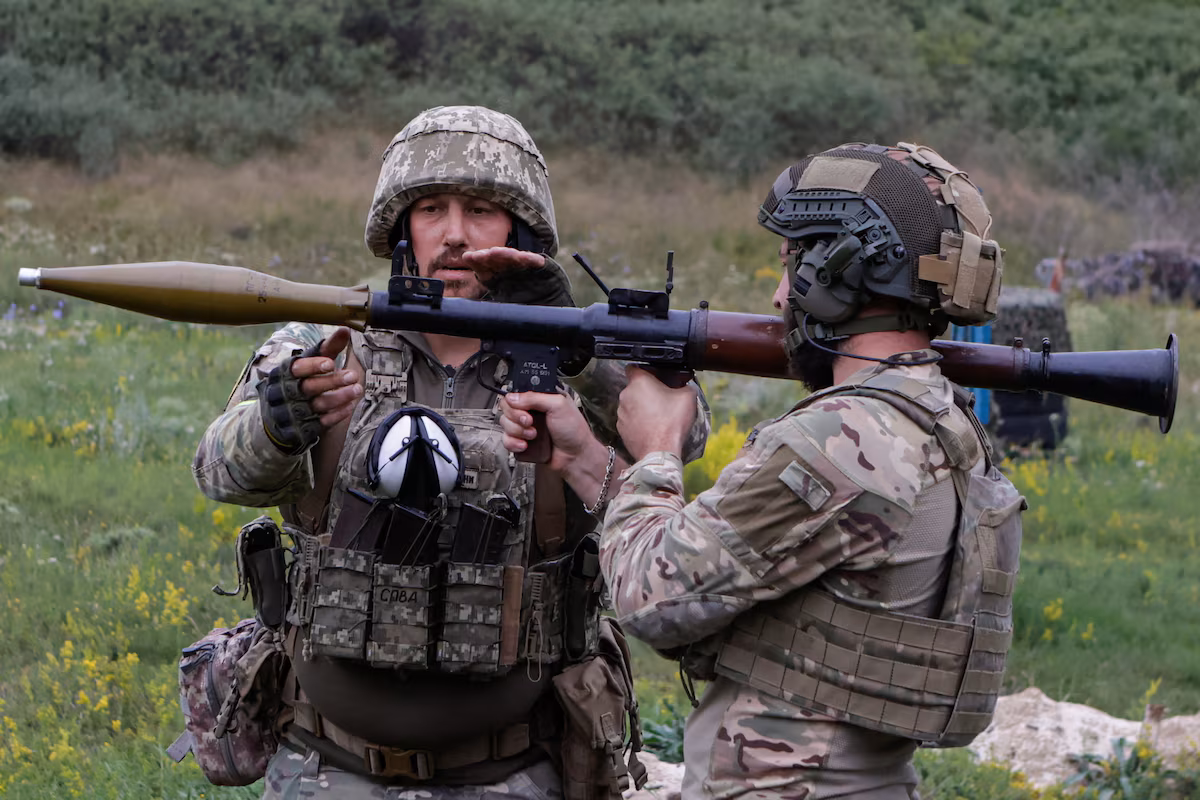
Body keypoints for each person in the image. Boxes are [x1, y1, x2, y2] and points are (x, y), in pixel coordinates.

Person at [192, 105, 709, 799]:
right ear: (401, 227)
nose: (456, 234)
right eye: (432, 208)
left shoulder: (574, 354)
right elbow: (218, 470)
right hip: (324, 766)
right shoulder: (325, 346)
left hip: (517, 768)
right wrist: (277, 426)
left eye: (481, 210)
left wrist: (577, 348)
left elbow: (682, 432)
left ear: (519, 230)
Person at [500, 142, 1025, 799]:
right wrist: (586, 460)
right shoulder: (938, 422)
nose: (779, 297)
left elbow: (656, 601)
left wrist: (658, 446)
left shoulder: (842, 440)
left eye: (791, 267)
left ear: (838, 274)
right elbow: (719, 576)